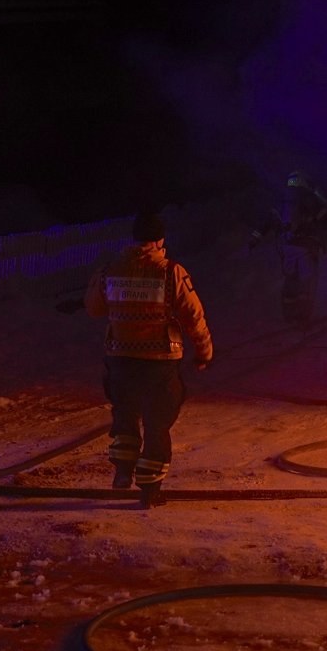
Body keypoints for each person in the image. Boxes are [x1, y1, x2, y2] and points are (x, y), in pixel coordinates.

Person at [84, 210, 213, 498]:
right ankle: (150, 487)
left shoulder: (109, 270)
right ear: (160, 240)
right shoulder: (170, 272)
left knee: (125, 415)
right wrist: (204, 351)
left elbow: (93, 308)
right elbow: (193, 315)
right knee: (157, 422)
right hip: (160, 362)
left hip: (120, 359)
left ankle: (123, 470)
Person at [274, 171, 327, 331]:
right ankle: (302, 318)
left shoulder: (285, 200)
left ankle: (288, 315)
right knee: (307, 282)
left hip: (288, 246)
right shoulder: (308, 198)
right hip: (306, 246)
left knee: (290, 279)